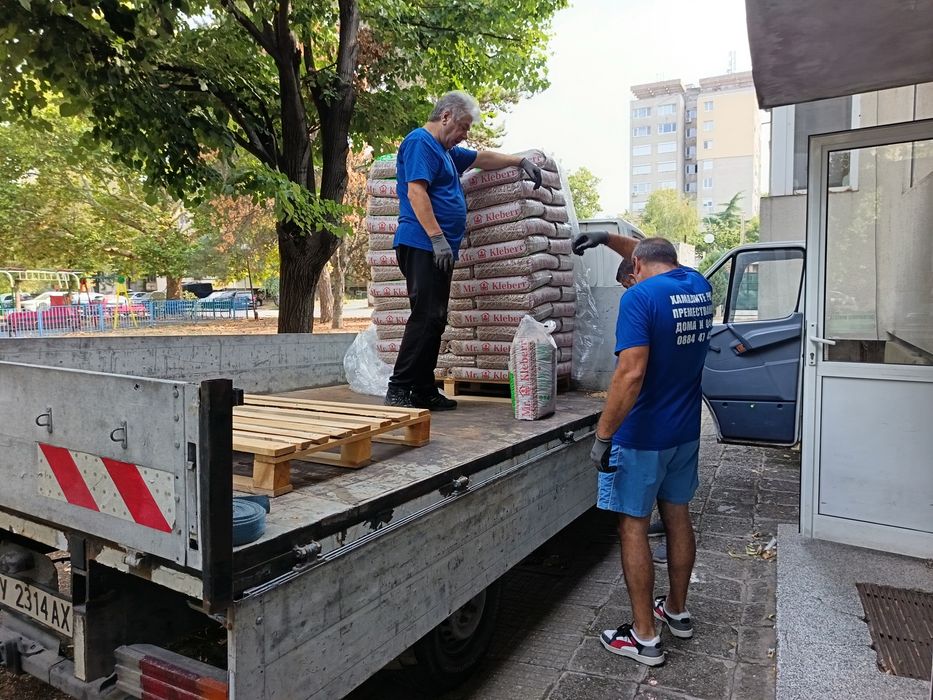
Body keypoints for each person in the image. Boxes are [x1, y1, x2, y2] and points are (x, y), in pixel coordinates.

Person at [573, 234, 713, 667]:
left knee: (632, 526)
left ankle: (644, 637)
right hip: (685, 431)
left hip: (643, 435)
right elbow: (651, 248)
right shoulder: (698, 285)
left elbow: (630, 374)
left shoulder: (639, 298)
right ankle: (676, 611)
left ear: (635, 267)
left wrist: (603, 435)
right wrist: (606, 239)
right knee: (678, 516)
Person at [385, 90, 543, 410]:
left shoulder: (447, 152)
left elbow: (482, 158)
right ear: (446, 117)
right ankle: (399, 388)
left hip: (438, 248)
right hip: (422, 243)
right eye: (464, 127)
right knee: (425, 316)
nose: (465, 134)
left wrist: (520, 161)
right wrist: (436, 237)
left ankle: (423, 390)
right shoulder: (420, 142)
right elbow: (416, 192)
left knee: (435, 319)